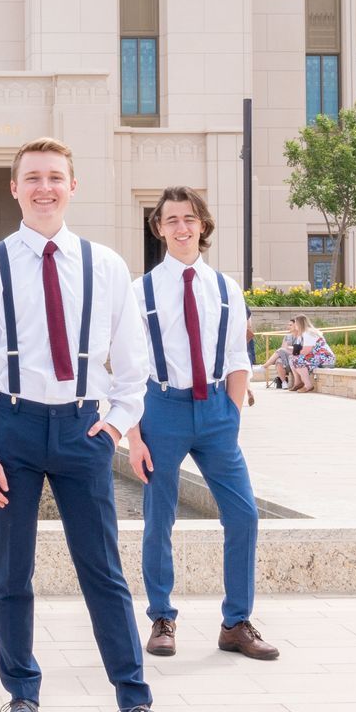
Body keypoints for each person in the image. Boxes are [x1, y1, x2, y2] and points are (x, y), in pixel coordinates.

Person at [0, 137, 163, 712]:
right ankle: (22, 693)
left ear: (74, 187)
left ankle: (135, 699)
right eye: (32, 178)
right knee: (10, 571)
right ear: (15, 188)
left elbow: (131, 362)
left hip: (81, 429)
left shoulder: (106, 267)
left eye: (55, 177)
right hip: (11, 427)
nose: (44, 188)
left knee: (103, 570)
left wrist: (118, 419)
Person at [128, 186, 280, 664]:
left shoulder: (225, 288)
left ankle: (236, 623)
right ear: (159, 228)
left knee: (244, 515)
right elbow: (128, 368)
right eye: (171, 219)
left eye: (189, 218)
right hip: (162, 409)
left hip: (216, 410)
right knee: (159, 518)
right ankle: (161, 617)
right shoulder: (140, 290)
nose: (181, 227)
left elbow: (238, 355)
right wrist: (133, 436)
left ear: (203, 225)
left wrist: (230, 416)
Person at [270, 315, 335, 392]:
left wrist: (293, 352)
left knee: (297, 360)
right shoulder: (301, 334)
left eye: (296, 323)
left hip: (325, 357)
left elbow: (305, 351)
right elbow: (297, 350)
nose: (295, 325)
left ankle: (308, 385)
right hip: (315, 356)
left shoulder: (309, 333)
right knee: (292, 358)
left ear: (300, 324)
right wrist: (286, 348)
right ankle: (298, 383)